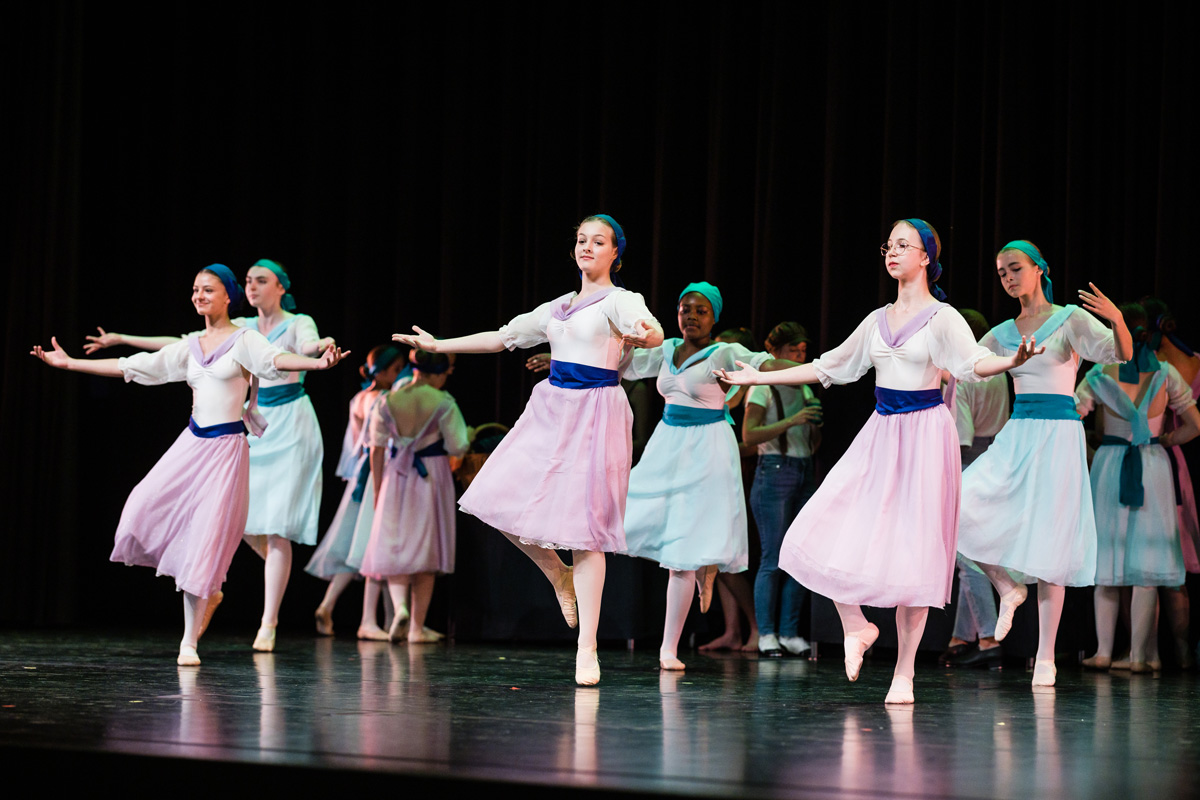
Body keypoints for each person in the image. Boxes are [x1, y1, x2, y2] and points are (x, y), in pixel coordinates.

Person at [716, 219, 1039, 704]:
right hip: (882, 431)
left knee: (917, 556)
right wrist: (757, 379)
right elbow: (828, 367)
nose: (892, 251)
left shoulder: (942, 318)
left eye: (904, 245)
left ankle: (904, 673)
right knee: (823, 523)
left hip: (925, 435)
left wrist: (1011, 362)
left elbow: (973, 364)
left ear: (926, 256)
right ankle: (856, 624)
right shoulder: (876, 320)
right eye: (889, 244)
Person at [393, 214, 663, 685]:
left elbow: (650, 328)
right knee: (494, 499)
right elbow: (501, 338)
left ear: (615, 252)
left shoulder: (619, 300)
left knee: (586, 533)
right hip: (552, 409)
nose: (587, 247)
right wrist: (439, 344)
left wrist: (647, 335)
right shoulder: (556, 307)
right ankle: (557, 575)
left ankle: (587, 648)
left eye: (598, 241)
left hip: (595, 413)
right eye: (581, 240)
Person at [33, 265, 345, 665]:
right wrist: (71, 364)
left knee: (205, 541)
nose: (199, 296)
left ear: (228, 296)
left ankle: (189, 642)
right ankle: (206, 594)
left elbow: (276, 359)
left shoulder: (245, 339)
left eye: (208, 290)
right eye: (196, 289)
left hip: (227, 451)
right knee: (141, 502)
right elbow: (133, 366)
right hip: (191, 445)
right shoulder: (191, 345)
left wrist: (318, 365)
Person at [956, 240, 1132, 688]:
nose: (1008, 278)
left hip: (1059, 436)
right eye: (1001, 272)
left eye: (1015, 268)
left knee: (1051, 547)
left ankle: (1046, 656)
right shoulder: (1001, 332)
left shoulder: (1069, 319)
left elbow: (1122, 353)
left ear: (1038, 269)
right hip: (1018, 434)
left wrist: (1117, 320)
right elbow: (968, 366)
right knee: (956, 506)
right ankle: (1007, 586)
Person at [621, 283, 797, 670]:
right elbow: (618, 364)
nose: (691, 316)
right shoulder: (665, 349)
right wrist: (562, 361)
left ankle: (669, 648)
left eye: (700, 311)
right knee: (628, 515)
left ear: (714, 317)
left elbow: (766, 365)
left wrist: (818, 369)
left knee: (682, 554)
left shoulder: (725, 352)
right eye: (685, 309)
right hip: (668, 446)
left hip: (708, 448)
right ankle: (703, 569)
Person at [1077, 303, 1200, 672]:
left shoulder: (1100, 373)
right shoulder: (1164, 373)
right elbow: (1195, 425)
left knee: (1107, 559)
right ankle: (1140, 656)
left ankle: (1103, 651)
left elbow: (1072, 414)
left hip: (1110, 464)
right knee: (1146, 565)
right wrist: (1168, 440)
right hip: (1151, 464)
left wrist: (1086, 452)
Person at [360, 349, 472, 643]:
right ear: (437, 373)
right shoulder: (443, 402)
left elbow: (376, 449)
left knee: (395, 544)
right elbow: (458, 445)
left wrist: (378, 489)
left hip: (395, 476)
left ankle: (400, 608)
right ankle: (416, 628)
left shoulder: (387, 400)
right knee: (427, 550)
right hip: (429, 476)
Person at [306, 345, 407, 637]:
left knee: (356, 547)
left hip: (359, 476)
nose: (400, 374)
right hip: (378, 472)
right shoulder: (385, 399)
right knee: (373, 545)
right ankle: (373, 620)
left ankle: (332, 606)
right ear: (383, 372)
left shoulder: (358, 398)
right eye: (396, 369)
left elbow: (353, 445)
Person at [742, 322, 822, 658]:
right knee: (772, 557)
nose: (799, 358)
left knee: (798, 557)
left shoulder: (804, 389)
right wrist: (793, 420)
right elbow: (749, 435)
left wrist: (814, 426)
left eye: (803, 352)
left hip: (803, 470)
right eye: (793, 351)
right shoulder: (763, 388)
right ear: (774, 352)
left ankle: (789, 632)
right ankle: (767, 633)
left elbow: (812, 443)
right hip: (774, 471)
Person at [941, 309, 1010, 668]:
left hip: (971, 463)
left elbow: (961, 438)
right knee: (976, 550)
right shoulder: (998, 371)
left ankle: (987, 637)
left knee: (968, 557)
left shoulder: (965, 377)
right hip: (997, 462)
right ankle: (961, 636)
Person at [1144, 297, 1200, 668]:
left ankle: (1149, 651)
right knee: (1174, 566)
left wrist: (1164, 438)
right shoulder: (1194, 361)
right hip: (1184, 462)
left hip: (1165, 459)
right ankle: (1181, 652)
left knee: (1154, 565)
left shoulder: (1154, 365)